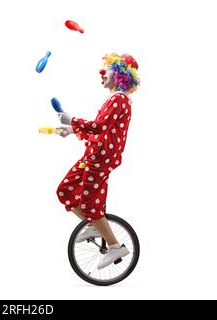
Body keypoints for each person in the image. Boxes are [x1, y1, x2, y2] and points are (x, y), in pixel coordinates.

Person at [56, 53, 140, 270]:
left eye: (108, 70)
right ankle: (94, 224)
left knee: (89, 202)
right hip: (92, 156)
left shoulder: (120, 99)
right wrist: (72, 130)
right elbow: (99, 132)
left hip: (101, 159)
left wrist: (72, 119)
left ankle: (114, 246)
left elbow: (100, 127)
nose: (102, 73)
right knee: (65, 190)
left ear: (120, 76)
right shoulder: (113, 100)